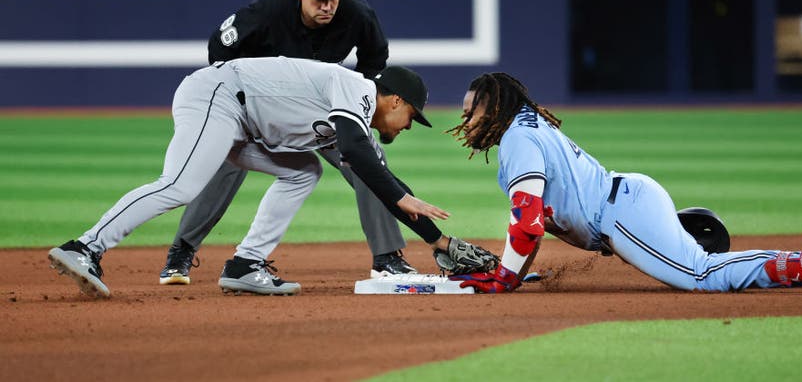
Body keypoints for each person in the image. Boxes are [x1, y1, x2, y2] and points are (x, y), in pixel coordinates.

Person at [48, 59, 491, 297]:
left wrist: (438, 242)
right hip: (220, 97)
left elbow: (374, 173)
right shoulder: (355, 90)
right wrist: (403, 199)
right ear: (394, 99)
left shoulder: (352, 122)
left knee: (302, 173)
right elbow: (358, 154)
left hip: (244, 121)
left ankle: (245, 264)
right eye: (412, 116)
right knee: (180, 185)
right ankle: (85, 247)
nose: (408, 126)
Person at [447, 73, 802, 294]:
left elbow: (527, 223)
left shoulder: (518, 140)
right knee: (697, 267)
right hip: (626, 204)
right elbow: (532, 225)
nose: (466, 122)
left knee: (702, 275)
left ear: (496, 106)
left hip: (621, 215)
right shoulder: (526, 126)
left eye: (472, 112)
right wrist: (513, 274)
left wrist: (505, 277)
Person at [159, 0, 416, 286]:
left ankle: (387, 258)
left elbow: (374, 60)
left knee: (366, 160)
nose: (326, 5)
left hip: (321, 110)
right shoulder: (267, 13)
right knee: (225, 161)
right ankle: (181, 252)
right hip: (255, 106)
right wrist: (237, 105)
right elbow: (219, 50)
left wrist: (357, 104)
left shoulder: (356, 14)